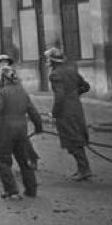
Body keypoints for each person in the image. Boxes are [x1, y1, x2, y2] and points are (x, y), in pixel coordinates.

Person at [0, 64, 43, 200]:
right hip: (21, 131)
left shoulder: (2, 92)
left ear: (3, 78)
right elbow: (33, 112)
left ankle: (12, 190)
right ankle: (31, 189)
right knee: (23, 161)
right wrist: (38, 127)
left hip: (6, 131)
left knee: (2, 161)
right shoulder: (23, 92)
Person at [45, 47, 92, 180]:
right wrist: (74, 95)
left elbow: (59, 97)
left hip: (65, 112)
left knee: (72, 139)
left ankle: (84, 169)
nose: (47, 62)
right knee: (77, 138)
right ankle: (83, 168)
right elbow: (86, 86)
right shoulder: (72, 71)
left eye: (49, 59)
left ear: (53, 61)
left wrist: (53, 113)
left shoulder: (55, 75)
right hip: (76, 108)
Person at [0, 53, 39, 170]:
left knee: (22, 140)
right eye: (1, 63)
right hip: (1, 112)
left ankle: (32, 158)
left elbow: (18, 92)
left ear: (9, 64)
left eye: (6, 62)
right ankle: (0, 164)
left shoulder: (13, 78)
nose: (3, 64)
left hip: (12, 110)